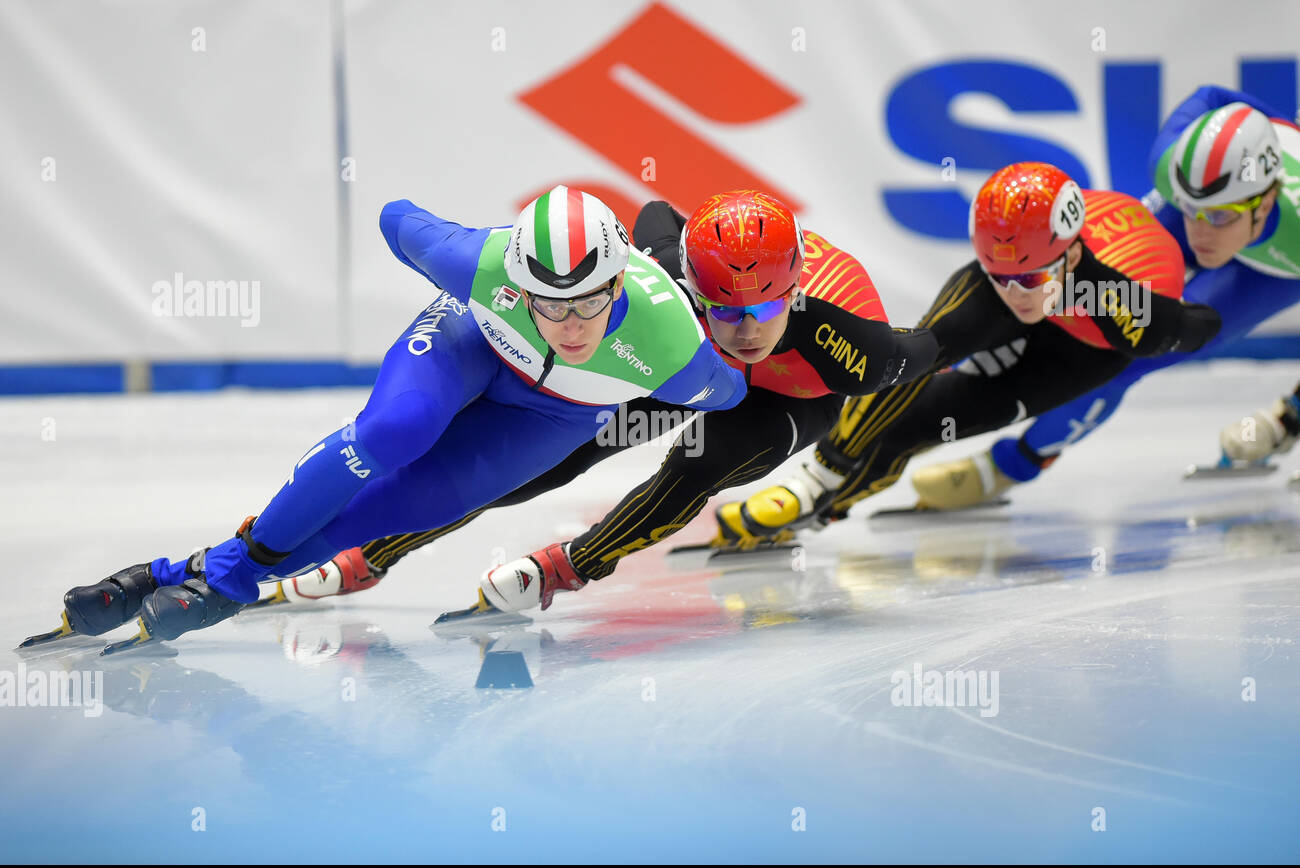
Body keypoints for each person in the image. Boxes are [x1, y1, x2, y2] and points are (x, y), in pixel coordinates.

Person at [25, 186, 746, 651]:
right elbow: (397, 218)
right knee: (394, 432)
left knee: (390, 511)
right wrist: (480, 264)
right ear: (516, 284)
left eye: (590, 301)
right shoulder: (479, 266)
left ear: (620, 281)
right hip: (472, 342)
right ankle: (229, 582)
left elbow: (735, 392)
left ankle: (178, 572)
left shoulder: (675, 352)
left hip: (552, 413)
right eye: (548, 303)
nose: (569, 324)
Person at [255, 190, 941, 615]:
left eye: (764, 305)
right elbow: (654, 217)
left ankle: (570, 565)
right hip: (693, 371)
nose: (746, 327)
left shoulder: (856, 349)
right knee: (555, 455)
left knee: (702, 464)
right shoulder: (673, 277)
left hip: (793, 395)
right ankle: (368, 552)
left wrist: (840, 469)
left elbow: (933, 347)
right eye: (722, 307)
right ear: (691, 289)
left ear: (792, 293)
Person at [710, 161, 1222, 542]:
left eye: (1029, 279)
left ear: (1070, 256)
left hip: (1088, 342)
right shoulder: (1006, 274)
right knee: (914, 373)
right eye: (999, 276)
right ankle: (820, 485)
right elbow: (903, 366)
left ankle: (827, 506)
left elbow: (1204, 325)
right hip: (1055, 287)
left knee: (920, 424)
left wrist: (821, 489)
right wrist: (819, 469)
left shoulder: (1124, 305)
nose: (1015, 292)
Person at [910, 87, 1300, 505]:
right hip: (1222, 196)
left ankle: (1010, 465)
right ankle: (942, 400)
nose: (1202, 230)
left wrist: (1288, 416)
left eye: (1217, 215)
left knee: (1128, 353)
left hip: (1277, 268)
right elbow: (1210, 96)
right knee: (1080, 290)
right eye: (1189, 207)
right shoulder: (1176, 164)